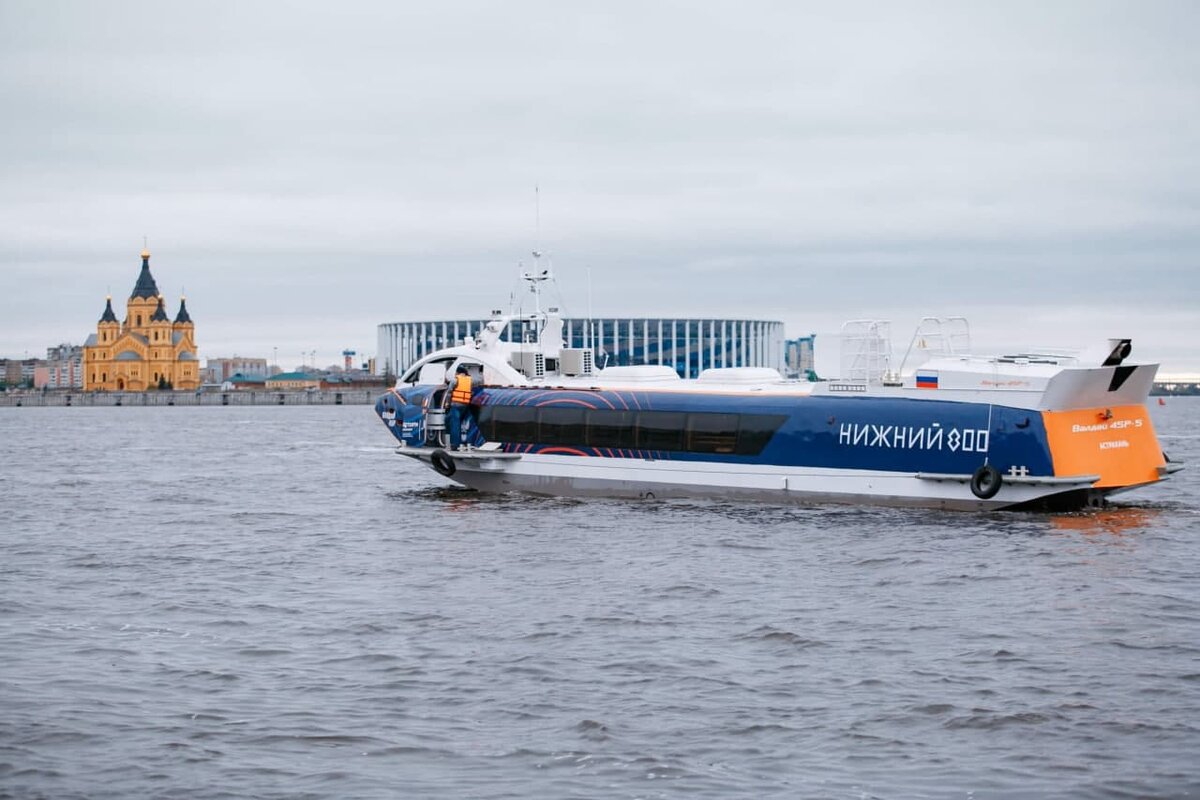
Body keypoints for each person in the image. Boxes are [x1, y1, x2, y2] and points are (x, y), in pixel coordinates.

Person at [446, 364, 475, 450]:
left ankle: (455, 444)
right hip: (465, 405)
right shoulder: (470, 380)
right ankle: (466, 443)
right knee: (464, 424)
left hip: (455, 405)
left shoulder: (455, 380)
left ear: (458, 372)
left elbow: (449, 393)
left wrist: (447, 404)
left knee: (455, 424)